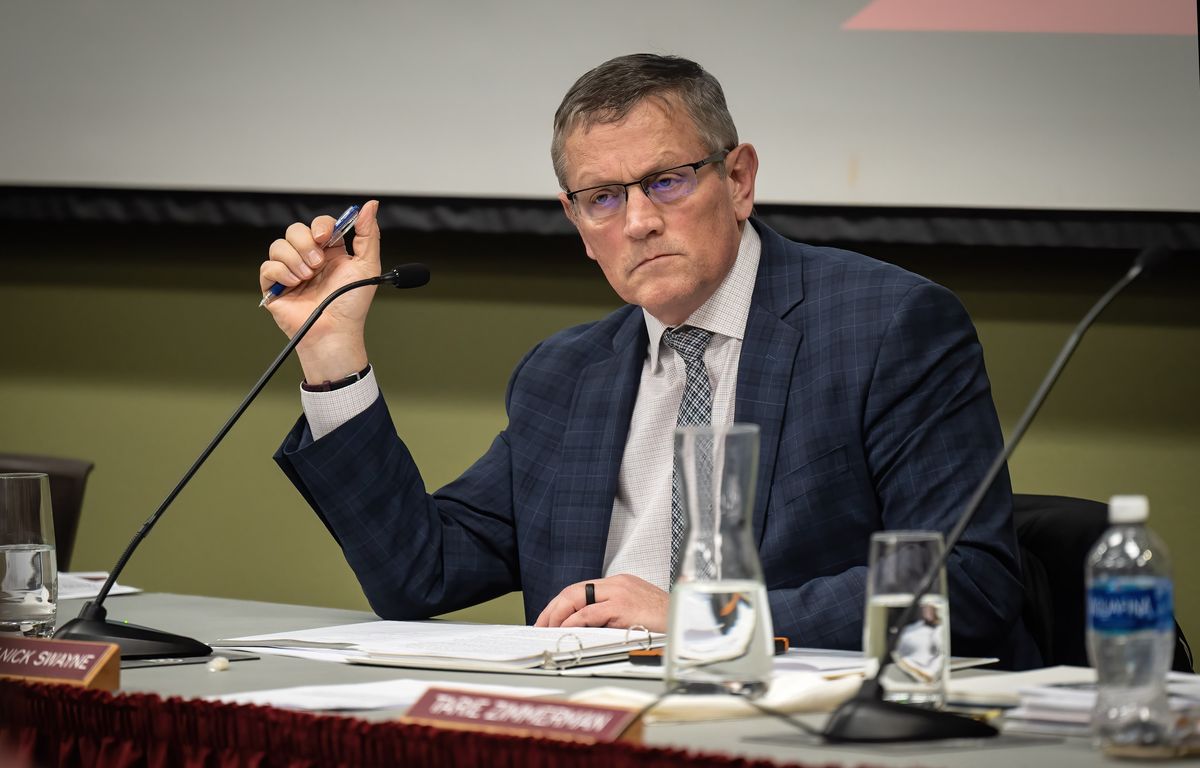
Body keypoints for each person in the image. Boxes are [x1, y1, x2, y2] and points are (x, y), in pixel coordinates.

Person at [261, 54, 1040, 668]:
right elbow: (416, 575)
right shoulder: (565, 376)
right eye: (602, 197)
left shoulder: (887, 325)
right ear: (575, 219)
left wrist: (699, 619)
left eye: (666, 182)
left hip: (798, 727)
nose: (636, 222)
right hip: (594, 728)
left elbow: (965, 583)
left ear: (738, 180)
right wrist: (333, 352)